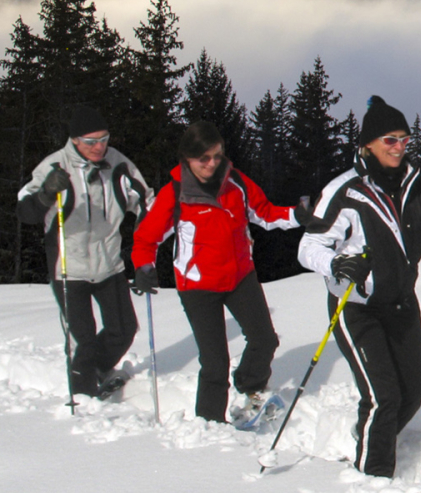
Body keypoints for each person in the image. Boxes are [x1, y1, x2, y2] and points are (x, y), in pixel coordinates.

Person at [297, 96, 421, 478]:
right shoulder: (346, 191)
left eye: (404, 139)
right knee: (383, 397)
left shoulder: (416, 184)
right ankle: (373, 479)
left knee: (415, 389)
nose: (399, 147)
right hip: (356, 307)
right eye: (390, 139)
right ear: (367, 144)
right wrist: (337, 263)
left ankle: (373, 436)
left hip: (402, 303)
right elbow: (309, 246)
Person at [131, 121, 322, 425]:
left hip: (239, 276)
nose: (211, 164)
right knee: (214, 363)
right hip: (197, 286)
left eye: (217, 156)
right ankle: (209, 424)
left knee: (265, 340)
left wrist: (296, 215)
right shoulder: (175, 193)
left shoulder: (236, 183)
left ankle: (250, 390)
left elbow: (265, 213)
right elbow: (146, 237)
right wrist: (143, 266)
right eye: (203, 158)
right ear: (187, 158)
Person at [18, 105, 149, 399]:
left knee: (124, 331)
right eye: (91, 141)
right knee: (83, 341)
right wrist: (45, 194)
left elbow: (145, 200)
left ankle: (98, 369)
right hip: (69, 268)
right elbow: (25, 211)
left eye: (104, 138)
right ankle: (83, 398)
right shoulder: (54, 166)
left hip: (109, 264)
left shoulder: (118, 165)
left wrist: (145, 238)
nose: (99, 146)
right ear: (75, 140)